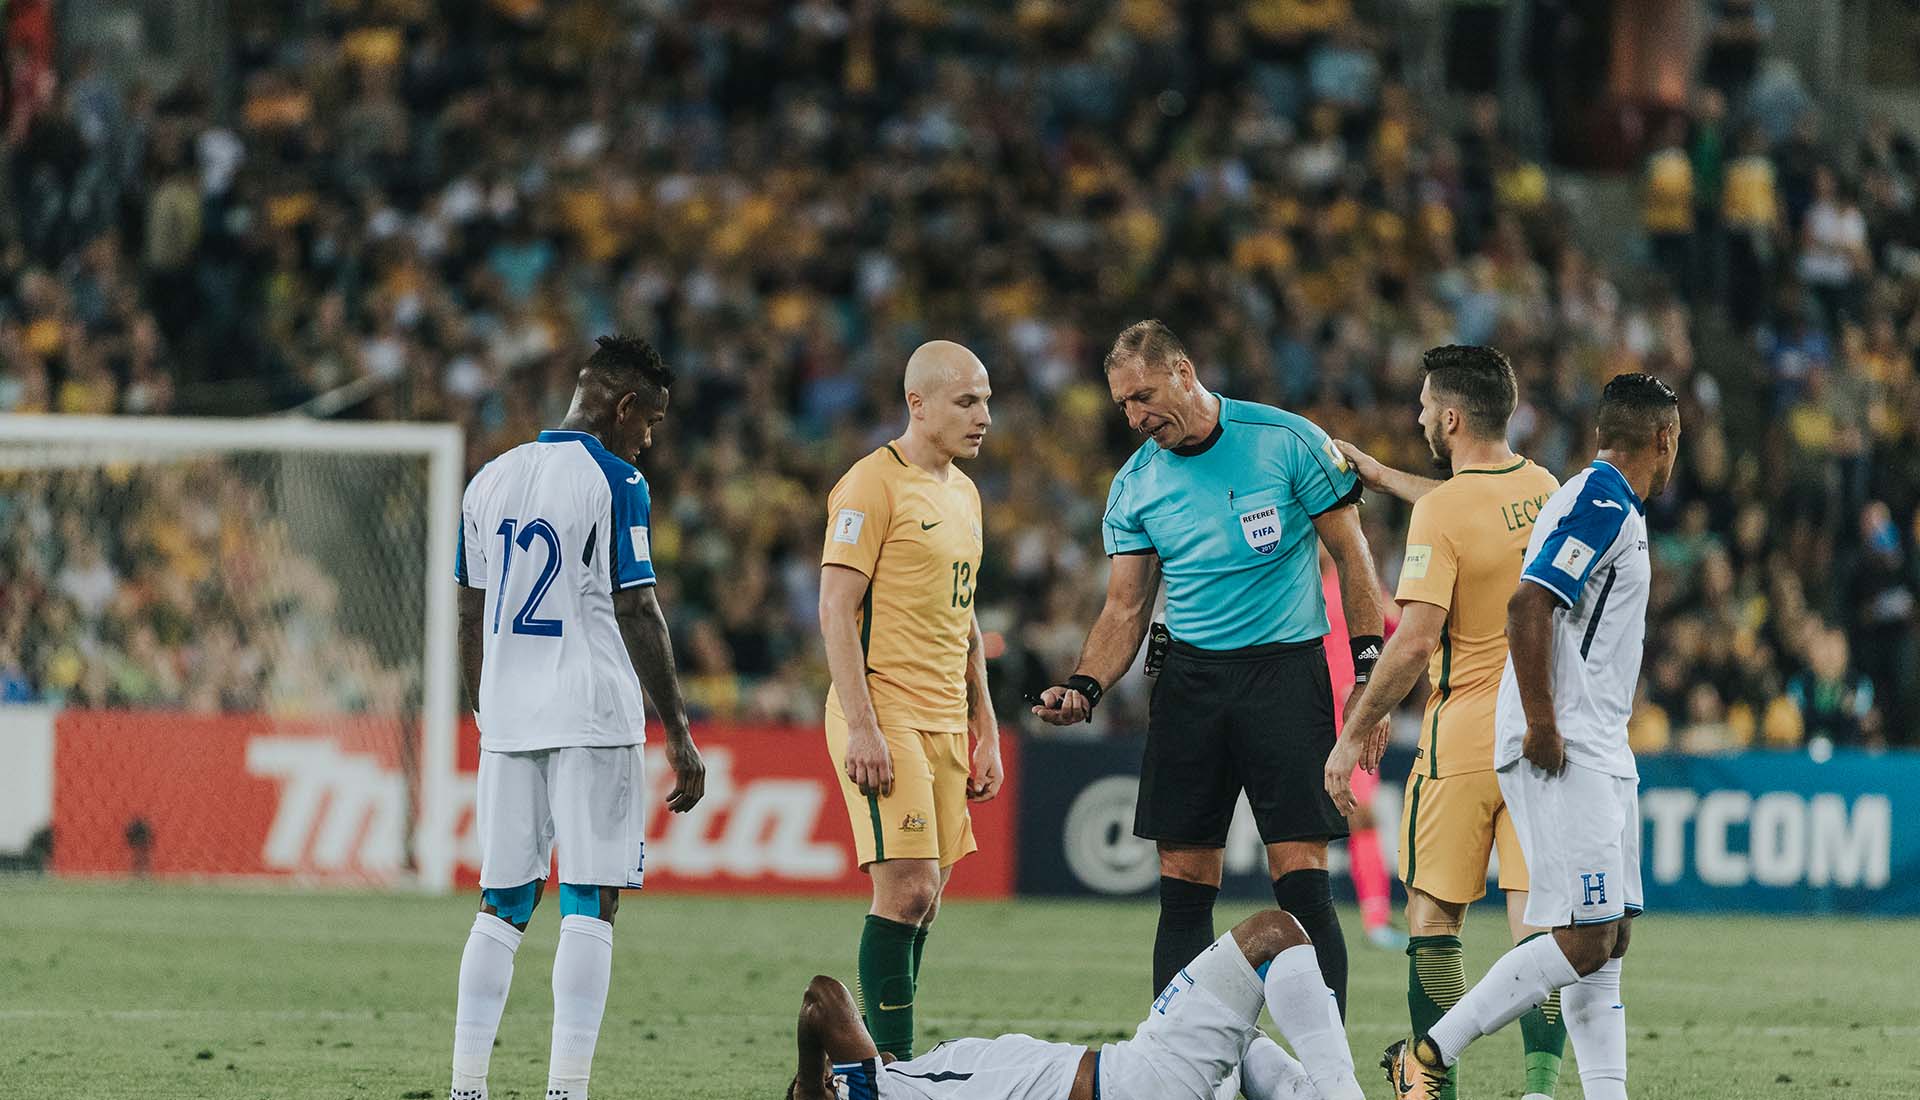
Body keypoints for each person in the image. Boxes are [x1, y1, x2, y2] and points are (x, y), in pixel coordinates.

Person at [1032, 319, 1388, 1015]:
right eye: (1123, 405)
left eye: (1143, 396)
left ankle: (1325, 1068)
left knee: (1301, 879)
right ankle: (1179, 1065)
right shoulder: (1135, 486)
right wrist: (1084, 685)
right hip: (1190, 684)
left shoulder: (1287, 441)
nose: (1135, 418)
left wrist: (1369, 677)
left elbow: (1354, 560)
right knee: (1184, 884)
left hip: (1287, 676)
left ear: (1184, 371)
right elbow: (1125, 609)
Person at [1385, 372, 1682, 1100]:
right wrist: (1544, 723)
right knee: (1584, 937)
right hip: (1568, 742)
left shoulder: (1603, 500)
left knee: (1609, 936)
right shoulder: (1602, 502)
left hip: (1600, 740)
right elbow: (1528, 604)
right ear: (1665, 439)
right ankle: (1426, 1054)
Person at [447, 334, 708, 1100]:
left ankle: (467, 1087)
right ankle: (566, 1089)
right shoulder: (617, 480)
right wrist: (679, 730)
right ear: (624, 407)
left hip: (510, 719)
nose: (649, 440)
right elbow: (637, 607)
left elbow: (468, 614)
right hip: (590, 714)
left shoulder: (489, 479)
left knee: (502, 904)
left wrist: (489, 709)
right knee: (591, 899)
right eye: (649, 422)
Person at [1323, 345, 1567, 1100]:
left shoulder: (1442, 513)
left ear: (1453, 417)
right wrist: (1386, 477)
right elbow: (1474, 511)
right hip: (1537, 735)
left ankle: (1435, 1088)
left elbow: (1415, 640)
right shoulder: (1544, 488)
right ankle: (1539, 1091)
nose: (1420, 415)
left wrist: (1353, 732)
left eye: (1427, 406)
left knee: (1433, 921)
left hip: (1461, 740)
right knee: (1538, 931)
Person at [818, 340, 1005, 1061]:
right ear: (917, 404)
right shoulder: (869, 485)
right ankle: (886, 1074)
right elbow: (836, 608)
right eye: (967, 401)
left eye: (986, 401)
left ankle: (888, 1064)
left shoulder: (965, 493)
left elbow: (965, 617)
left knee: (925, 903)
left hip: (944, 718)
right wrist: (863, 727)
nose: (983, 416)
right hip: (883, 709)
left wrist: (985, 723)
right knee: (907, 890)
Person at [784, 908, 1364, 1100]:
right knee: (1274, 934)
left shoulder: (908, 1081)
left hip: (1140, 1084)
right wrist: (812, 1082)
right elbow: (822, 997)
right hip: (1137, 1082)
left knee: (1242, 1038)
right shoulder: (872, 1091)